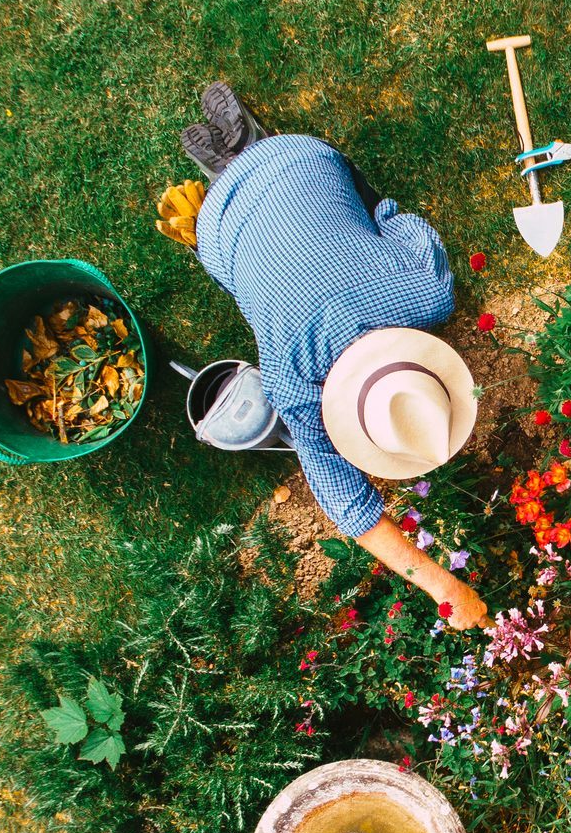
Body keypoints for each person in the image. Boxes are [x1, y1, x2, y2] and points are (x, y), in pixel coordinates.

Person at [174, 82, 488, 629]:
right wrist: (443, 588)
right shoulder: (288, 382)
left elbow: (396, 219)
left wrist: (449, 587)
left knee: (327, 208)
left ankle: (241, 153)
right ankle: (231, 162)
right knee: (250, 264)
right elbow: (347, 505)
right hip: (218, 232)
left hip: (300, 159)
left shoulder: (428, 292)